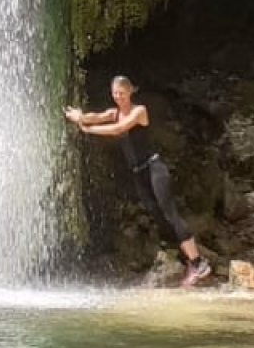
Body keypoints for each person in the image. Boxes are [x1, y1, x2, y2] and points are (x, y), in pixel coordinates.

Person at [66, 76, 213, 288]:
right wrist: (80, 116)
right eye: (115, 94)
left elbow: (118, 129)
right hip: (139, 174)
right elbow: (97, 116)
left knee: (169, 213)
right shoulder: (114, 112)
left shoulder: (139, 111)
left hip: (154, 168)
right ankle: (186, 260)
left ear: (130, 92)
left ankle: (199, 263)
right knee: (157, 215)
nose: (118, 97)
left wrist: (88, 130)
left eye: (122, 93)